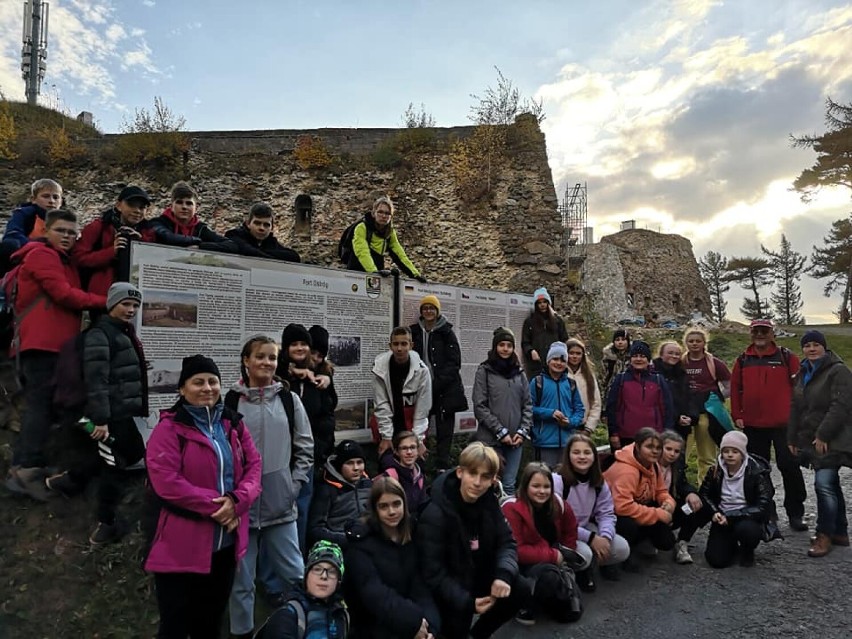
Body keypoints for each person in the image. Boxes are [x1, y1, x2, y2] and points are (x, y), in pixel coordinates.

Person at [144, 354, 262, 639]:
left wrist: (237, 500)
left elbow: (254, 466)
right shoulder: (169, 429)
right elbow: (167, 481)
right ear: (182, 389)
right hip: (181, 545)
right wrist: (220, 507)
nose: (207, 388)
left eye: (213, 381)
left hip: (225, 545)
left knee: (210, 624)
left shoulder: (232, 424)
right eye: (198, 382)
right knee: (175, 625)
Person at [5, 209, 107, 502]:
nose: (67, 237)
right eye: (61, 231)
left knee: (48, 405)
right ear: (45, 231)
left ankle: (28, 467)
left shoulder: (64, 260)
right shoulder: (42, 256)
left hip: (54, 345)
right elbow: (64, 294)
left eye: (72, 233)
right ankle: (25, 469)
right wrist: (109, 302)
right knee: (41, 405)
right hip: (41, 345)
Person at [225, 336, 314, 639]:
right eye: (260, 357)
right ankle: (242, 633)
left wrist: (295, 484)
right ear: (246, 360)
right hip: (241, 509)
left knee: (296, 574)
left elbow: (305, 446)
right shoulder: (230, 402)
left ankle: (312, 625)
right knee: (241, 581)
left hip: (280, 504)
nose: (267, 363)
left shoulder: (289, 400)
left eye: (272, 358)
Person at [417, 442, 529, 638]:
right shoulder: (435, 513)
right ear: (460, 472)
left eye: (485, 477)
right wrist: (467, 603)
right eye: (472, 473)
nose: (477, 483)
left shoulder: (489, 502)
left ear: (493, 480)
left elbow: (507, 542)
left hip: (478, 574)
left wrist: (503, 575)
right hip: (450, 585)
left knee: (520, 588)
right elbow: (433, 573)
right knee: (455, 625)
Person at [76, 283, 149, 545]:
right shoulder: (100, 334)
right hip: (104, 416)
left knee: (128, 454)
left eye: (135, 306)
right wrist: (100, 420)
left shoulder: (121, 332)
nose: (131, 310)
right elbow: (96, 379)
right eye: (125, 304)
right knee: (113, 464)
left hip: (116, 413)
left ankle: (71, 480)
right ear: (111, 304)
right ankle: (105, 524)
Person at [730, 319, 806, 531]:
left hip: (785, 424)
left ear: (772, 333)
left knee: (790, 466)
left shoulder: (786, 357)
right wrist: (737, 414)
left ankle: (795, 512)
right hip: (754, 424)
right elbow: (735, 389)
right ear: (751, 334)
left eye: (764, 331)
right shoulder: (743, 359)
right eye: (756, 331)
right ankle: (767, 511)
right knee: (759, 471)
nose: (760, 335)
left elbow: (800, 388)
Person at [344, 476, 440, 639]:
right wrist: (414, 623)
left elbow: (420, 586)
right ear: (375, 509)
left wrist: (429, 626)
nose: (392, 512)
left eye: (396, 504)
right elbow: (374, 594)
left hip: (411, 621)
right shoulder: (360, 544)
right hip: (372, 625)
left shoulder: (413, 535)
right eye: (384, 506)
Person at [788, 330, 852, 557]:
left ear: (824, 347)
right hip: (812, 438)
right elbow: (796, 407)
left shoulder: (838, 371)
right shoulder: (803, 373)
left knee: (823, 485)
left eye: (816, 344)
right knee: (831, 484)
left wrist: (823, 434)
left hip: (832, 438)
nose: (812, 349)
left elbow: (841, 406)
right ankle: (841, 532)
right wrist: (792, 438)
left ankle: (824, 534)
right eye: (807, 345)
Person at [276, 323, 337, 552]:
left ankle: (298, 561)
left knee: (302, 510)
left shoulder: (317, 380)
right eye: (294, 344)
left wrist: (320, 452)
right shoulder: (278, 375)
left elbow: (327, 417)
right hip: (278, 458)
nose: (301, 348)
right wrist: (293, 370)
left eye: (304, 344)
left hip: (307, 459)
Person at [502, 462, 583, 625]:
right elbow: (516, 550)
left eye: (546, 486)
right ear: (525, 486)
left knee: (570, 609)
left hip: (553, 558)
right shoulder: (512, 508)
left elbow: (570, 529)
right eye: (536, 486)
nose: (542, 491)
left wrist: (567, 552)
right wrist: (553, 556)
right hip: (522, 565)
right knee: (548, 578)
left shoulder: (557, 503)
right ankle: (524, 603)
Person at [553, 434, 630, 589]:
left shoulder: (599, 482)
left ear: (594, 457)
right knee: (585, 555)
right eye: (576, 452)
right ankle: (576, 570)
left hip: (585, 526)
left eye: (587, 453)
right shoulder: (557, 480)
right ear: (568, 455)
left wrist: (605, 537)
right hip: (562, 533)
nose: (582, 457)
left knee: (621, 549)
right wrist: (591, 538)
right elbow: (557, 520)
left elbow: (606, 512)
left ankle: (594, 565)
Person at [603, 427, 677, 571]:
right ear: (637, 446)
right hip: (611, 513)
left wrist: (667, 502)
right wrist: (658, 514)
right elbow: (622, 507)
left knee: (667, 541)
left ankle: (640, 544)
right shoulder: (626, 471)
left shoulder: (653, 465)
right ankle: (616, 557)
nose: (655, 451)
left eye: (658, 448)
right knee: (628, 525)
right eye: (649, 447)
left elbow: (661, 490)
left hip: (637, 506)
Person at [698, 430, 773, 568]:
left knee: (748, 531)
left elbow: (763, 505)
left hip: (746, 517)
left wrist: (732, 516)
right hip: (722, 517)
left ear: (742, 453)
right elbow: (704, 495)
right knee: (716, 561)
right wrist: (714, 512)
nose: (730, 455)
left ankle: (747, 550)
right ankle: (730, 545)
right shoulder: (715, 470)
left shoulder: (756, 472)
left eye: (735, 451)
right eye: (726, 451)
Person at [472, 327, 532, 496]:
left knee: (509, 485)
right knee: (489, 484)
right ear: (495, 347)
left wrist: (523, 430)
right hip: (491, 439)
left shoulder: (519, 373)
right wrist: (500, 431)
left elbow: (528, 404)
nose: (505, 349)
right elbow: (480, 405)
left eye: (509, 345)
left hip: (515, 440)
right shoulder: (485, 370)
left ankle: (507, 520)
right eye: (501, 345)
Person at [410, 294, 467, 470]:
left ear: (437, 311)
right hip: (421, 387)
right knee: (419, 426)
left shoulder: (446, 333)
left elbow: (454, 362)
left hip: (445, 389)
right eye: (425, 308)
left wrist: (438, 382)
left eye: (431, 308)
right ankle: (418, 464)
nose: (428, 311)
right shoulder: (414, 331)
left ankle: (442, 465)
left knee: (444, 430)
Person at [254, 541, 350, 639]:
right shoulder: (287, 616)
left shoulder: (341, 614)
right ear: (306, 575)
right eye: (317, 569)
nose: (324, 576)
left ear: (338, 581)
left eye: (332, 571)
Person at [72, 185, 155, 297]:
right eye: (131, 205)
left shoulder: (149, 233)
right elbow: (78, 258)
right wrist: (111, 252)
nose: (137, 211)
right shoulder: (98, 227)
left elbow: (155, 264)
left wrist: (141, 244)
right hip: (103, 298)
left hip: (137, 299)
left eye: (142, 207)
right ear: (118, 205)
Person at [372, 326, 432, 459]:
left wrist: (418, 440)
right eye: (396, 344)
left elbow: (422, 408)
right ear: (390, 345)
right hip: (387, 426)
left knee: (414, 466)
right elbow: (381, 404)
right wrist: (386, 436)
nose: (399, 348)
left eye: (404, 344)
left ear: (411, 345)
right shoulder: (380, 369)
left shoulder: (422, 371)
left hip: (411, 425)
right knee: (388, 466)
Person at [682, 327, 733, 484]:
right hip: (686, 414)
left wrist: (717, 398)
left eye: (698, 341)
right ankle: (679, 489)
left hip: (707, 413)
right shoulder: (681, 362)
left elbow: (729, 385)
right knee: (680, 455)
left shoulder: (714, 363)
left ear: (704, 343)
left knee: (707, 456)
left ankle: (706, 489)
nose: (695, 344)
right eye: (691, 341)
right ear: (685, 343)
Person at [606, 340, 674, 451]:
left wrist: (667, 433)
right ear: (630, 359)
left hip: (654, 435)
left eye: (642, 356)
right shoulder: (621, 379)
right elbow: (612, 408)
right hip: (626, 435)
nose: (638, 359)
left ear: (648, 360)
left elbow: (667, 408)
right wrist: (613, 433)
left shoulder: (658, 380)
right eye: (635, 356)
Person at [308, 439, 372, 550]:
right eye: (349, 463)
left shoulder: (368, 484)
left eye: (359, 462)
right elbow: (315, 529)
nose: (356, 468)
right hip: (339, 544)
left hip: (368, 540)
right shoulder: (326, 489)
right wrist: (345, 539)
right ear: (339, 466)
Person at [529, 341, 585, 468]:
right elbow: (529, 408)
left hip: (567, 441)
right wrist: (550, 413)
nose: (558, 363)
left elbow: (579, 409)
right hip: (544, 442)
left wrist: (570, 422)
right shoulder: (538, 382)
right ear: (548, 360)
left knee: (565, 479)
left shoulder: (571, 384)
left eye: (562, 360)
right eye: (555, 359)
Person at [346, 195, 424, 280]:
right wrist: (373, 271)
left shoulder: (390, 233)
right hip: (356, 271)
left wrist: (415, 274)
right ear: (373, 213)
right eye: (380, 212)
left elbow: (400, 255)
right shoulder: (362, 227)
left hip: (377, 271)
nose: (384, 216)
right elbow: (362, 251)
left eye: (387, 213)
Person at [149, 181, 238, 252]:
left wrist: (201, 247)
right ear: (171, 206)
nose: (184, 207)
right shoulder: (157, 223)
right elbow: (167, 237)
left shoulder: (201, 229)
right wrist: (197, 241)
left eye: (189, 203)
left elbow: (231, 245)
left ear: (196, 208)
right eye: (179, 202)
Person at [658, 431, 705, 565]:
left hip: (670, 506)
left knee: (696, 504)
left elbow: (682, 483)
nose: (672, 454)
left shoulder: (676, 465)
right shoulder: (649, 464)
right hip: (653, 509)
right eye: (668, 449)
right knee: (664, 541)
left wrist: (691, 493)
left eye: (677, 451)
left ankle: (683, 542)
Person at [0, 178, 63, 259]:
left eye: (56, 197)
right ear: (33, 199)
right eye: (46, 196)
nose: (51, 201)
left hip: (53, 255)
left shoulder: (65, 220)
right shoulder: (23, 214)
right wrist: (38, 245)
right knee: (10, 244)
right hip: (26, 253)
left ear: (61, 202)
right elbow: (12, 234)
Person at [224, 201, 301, 262]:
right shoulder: (234, 235)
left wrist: (260, 251)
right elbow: (247, 251)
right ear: (248, 224)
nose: (261, 228)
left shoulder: (271, 242)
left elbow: (294, 257)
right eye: (257, 223)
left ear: (271, 228)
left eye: (266, 225)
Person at [521, 287, 568, 378]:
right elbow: (525, 342)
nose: (542, 305)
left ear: (548, 303)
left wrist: (561, 356)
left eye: (544, 302)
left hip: (555, 363)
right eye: (539, 302)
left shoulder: (558, 321)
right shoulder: (529, 321)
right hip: (537, 365)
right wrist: (531, 351)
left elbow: (564, 339)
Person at [377, 430, 428, 516]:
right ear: (396, 452)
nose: (409, 452)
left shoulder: (420, 476)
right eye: (404, 448)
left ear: (417, 450)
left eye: (412, 447)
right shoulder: (390, 476)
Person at [565, 338, 602, 435]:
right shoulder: (561, 374)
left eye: (578, 353)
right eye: (571, 353)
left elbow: (596, 403)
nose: (574, 356)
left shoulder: (588, 376)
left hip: (583, 427)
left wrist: (588, 428)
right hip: (563, 426)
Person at [601, 328, 631, 401]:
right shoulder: (608, 358)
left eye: (623, 339)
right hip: (612, 392)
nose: (620, 342)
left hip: (630, 391)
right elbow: (603, 378)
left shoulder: (633, 357)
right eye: (617, 340)